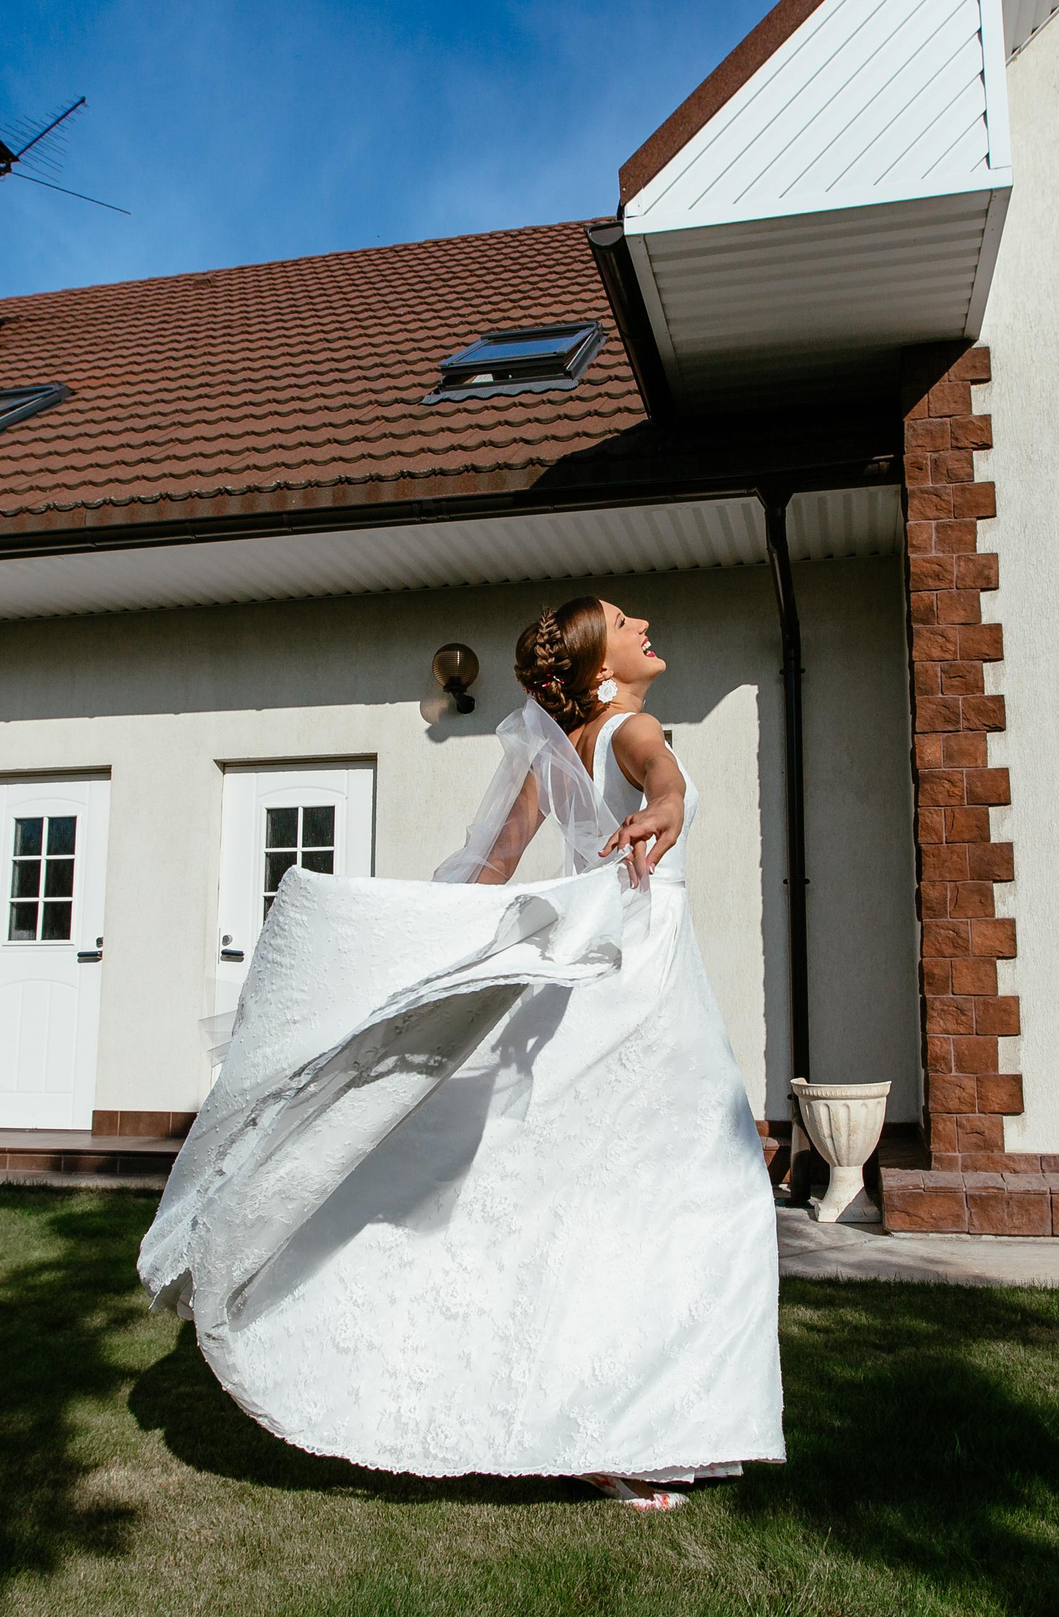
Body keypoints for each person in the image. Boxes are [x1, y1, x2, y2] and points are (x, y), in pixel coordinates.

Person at [139, 596, 784, 1511]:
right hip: (634, 981)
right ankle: (613, 1425)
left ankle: (656, 1419)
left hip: (624, 975)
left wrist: (438, 938)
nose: (645, 622)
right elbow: (655, 779)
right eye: (625, 620)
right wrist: (668, 805)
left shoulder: (563, 748)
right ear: (604, 669)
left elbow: (495, 864)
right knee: (689, 1192)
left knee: (645, 1195)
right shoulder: (634, 729)